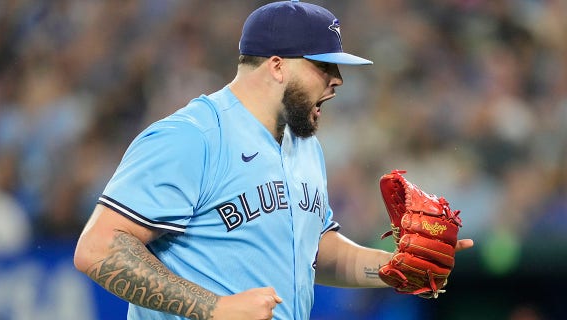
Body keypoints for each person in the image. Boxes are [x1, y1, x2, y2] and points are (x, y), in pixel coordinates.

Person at [73, 1, 474, 319]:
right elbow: (99, 248)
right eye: (322, 65)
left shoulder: (303, 145)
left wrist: (393, 269)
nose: (337, 79)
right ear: (277, 66)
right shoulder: (193, 136)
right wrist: (214, 308)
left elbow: (313, 251)